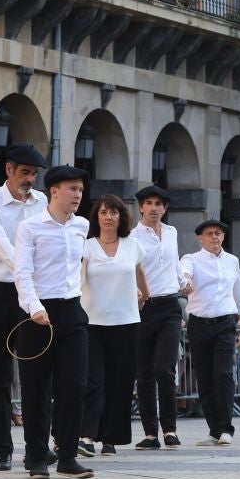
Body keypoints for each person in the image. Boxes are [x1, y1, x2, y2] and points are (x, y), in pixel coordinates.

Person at [13, 165, 95, 479]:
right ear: (54, 191)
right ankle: (36, 456)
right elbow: (22, 272)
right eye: (72, 189)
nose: (77, 195)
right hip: (37, 314)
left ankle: (68, 455)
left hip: (72, 311)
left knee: (74, 385)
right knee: (35, 387)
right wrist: (34, 306)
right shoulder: (30, 227)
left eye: (80, 190)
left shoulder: (82, 226)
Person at [0, 143, 47, 471]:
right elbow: (4, 245)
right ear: (8, 170)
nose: (29, 179)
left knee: (36, 373)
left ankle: (39, 446)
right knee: (0, 374)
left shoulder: (42, 202)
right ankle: (2, 446)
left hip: (31, 291)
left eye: (33, 174)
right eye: (24, 172)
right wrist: (26, 269)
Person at [78, 194, 149, 458]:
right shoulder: (87, 246)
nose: (109, 217)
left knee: (119, 383)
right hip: (92, 322)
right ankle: (86, 436)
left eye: (114, 213)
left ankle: (111, 438)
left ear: (122, 217)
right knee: (93, 380)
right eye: (104, 212)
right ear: (96, 217)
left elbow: (139, 273)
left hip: (126, 322)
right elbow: (79, 276)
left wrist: (144, 295)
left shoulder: (132, 245)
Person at [180, 218, 240, 447]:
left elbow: (239, 292)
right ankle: (213, 429)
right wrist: (186, 280)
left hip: (224, 323)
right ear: (200, 238)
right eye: (209, 233)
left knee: (223, 374)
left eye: (218, 233)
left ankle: (226, 428)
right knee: (205, 378)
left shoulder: (232, 261)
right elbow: (184, 273)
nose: (214, 237)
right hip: (199, 324)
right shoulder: (191, 259)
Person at [129, 185, 187, 450]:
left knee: (165, 368)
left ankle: (170, 429)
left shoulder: (172, 232)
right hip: (142, 308)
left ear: (165, 208)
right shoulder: (132, 237)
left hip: (170, 306)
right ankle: (150, 433)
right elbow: (129, 271)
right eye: (149, 203)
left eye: (159, 204)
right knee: (144, 373)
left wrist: (182, 281)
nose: (154, 208)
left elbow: (173, 263)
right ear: (140, 207)